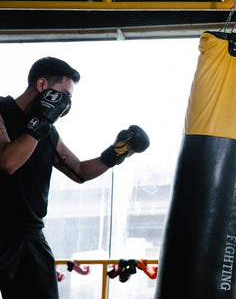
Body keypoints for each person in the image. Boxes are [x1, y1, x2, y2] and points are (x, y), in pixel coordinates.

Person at [0, 57, 150, 299]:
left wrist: (115, 154)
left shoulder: (47, 131)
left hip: (29, 237)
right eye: (64, 94)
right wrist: (42, 122)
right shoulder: (2, 112)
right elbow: (7, 163)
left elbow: (78, 170)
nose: (67, 104)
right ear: (41, 85)